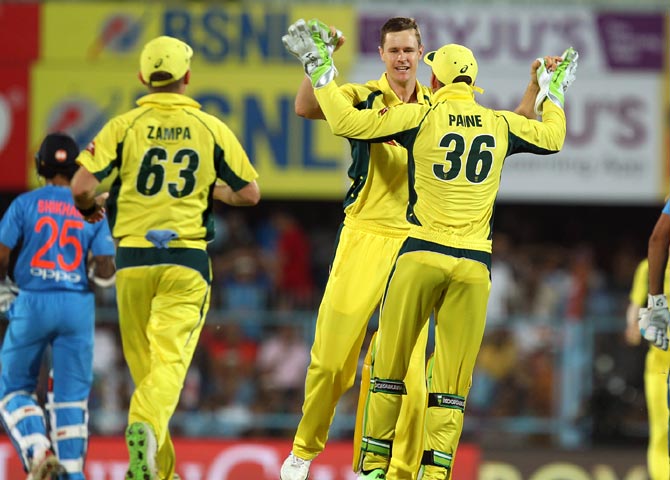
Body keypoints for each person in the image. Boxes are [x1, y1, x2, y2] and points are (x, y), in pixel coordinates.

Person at [280, 18, 563, 480]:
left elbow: (510, 128)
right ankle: (303, 450)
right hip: (365, 235)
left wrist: (532, 91)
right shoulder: (363, 95)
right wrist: (321, 65)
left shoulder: (438, 105)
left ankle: (394, 472)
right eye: (394, 50)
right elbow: (308, 107)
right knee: (333, 361)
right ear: (382, 54)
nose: (402, 58)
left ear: (422, 54)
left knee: (406, 378)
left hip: (418, 244)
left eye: (410, 50)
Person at [70, 35, 260, 480]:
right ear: (187, 77)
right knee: (169, 368)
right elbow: (250, 193)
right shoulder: (211, 128)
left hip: (133, 261)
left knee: (148, 374)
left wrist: (89, 207)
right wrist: (209, 188)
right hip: (185, 261)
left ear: (142, 78)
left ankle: (161, 472)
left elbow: (80, 187)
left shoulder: (123, 126)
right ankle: (143, 432)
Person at [0, 132, 116, 480]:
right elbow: (106, 267)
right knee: (70, 400)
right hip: (77, 305)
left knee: (13, 390)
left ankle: (38, 451)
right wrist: (98, 270)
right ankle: (72, 473)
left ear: (41, 167)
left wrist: (4, 286)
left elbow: (2, 254)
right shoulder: (89, 206)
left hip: (32, 299)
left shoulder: (24, 204)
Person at [626, 257, 670, 480]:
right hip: (659, 366)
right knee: (661, 433)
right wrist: (632, 324)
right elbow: (635, 305)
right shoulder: (648, 265)